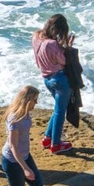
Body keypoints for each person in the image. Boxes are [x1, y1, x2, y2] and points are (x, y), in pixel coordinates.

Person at [0, 84, 49, 186]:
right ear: (27, 100)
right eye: (35, 100)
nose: (36, 103)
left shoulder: (27, 115)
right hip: (13, 160)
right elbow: (13, 146)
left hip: (25, 156)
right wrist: (25, 168)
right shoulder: (15, 118)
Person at [32, 14, 74, 154]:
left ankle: (47, 137)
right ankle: (56, 144)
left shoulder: (36, 36)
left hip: (47, 79)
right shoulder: (52, 44)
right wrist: (67, 47)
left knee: (57, 109)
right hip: (60, 79)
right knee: (60, 112)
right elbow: (63, 61)